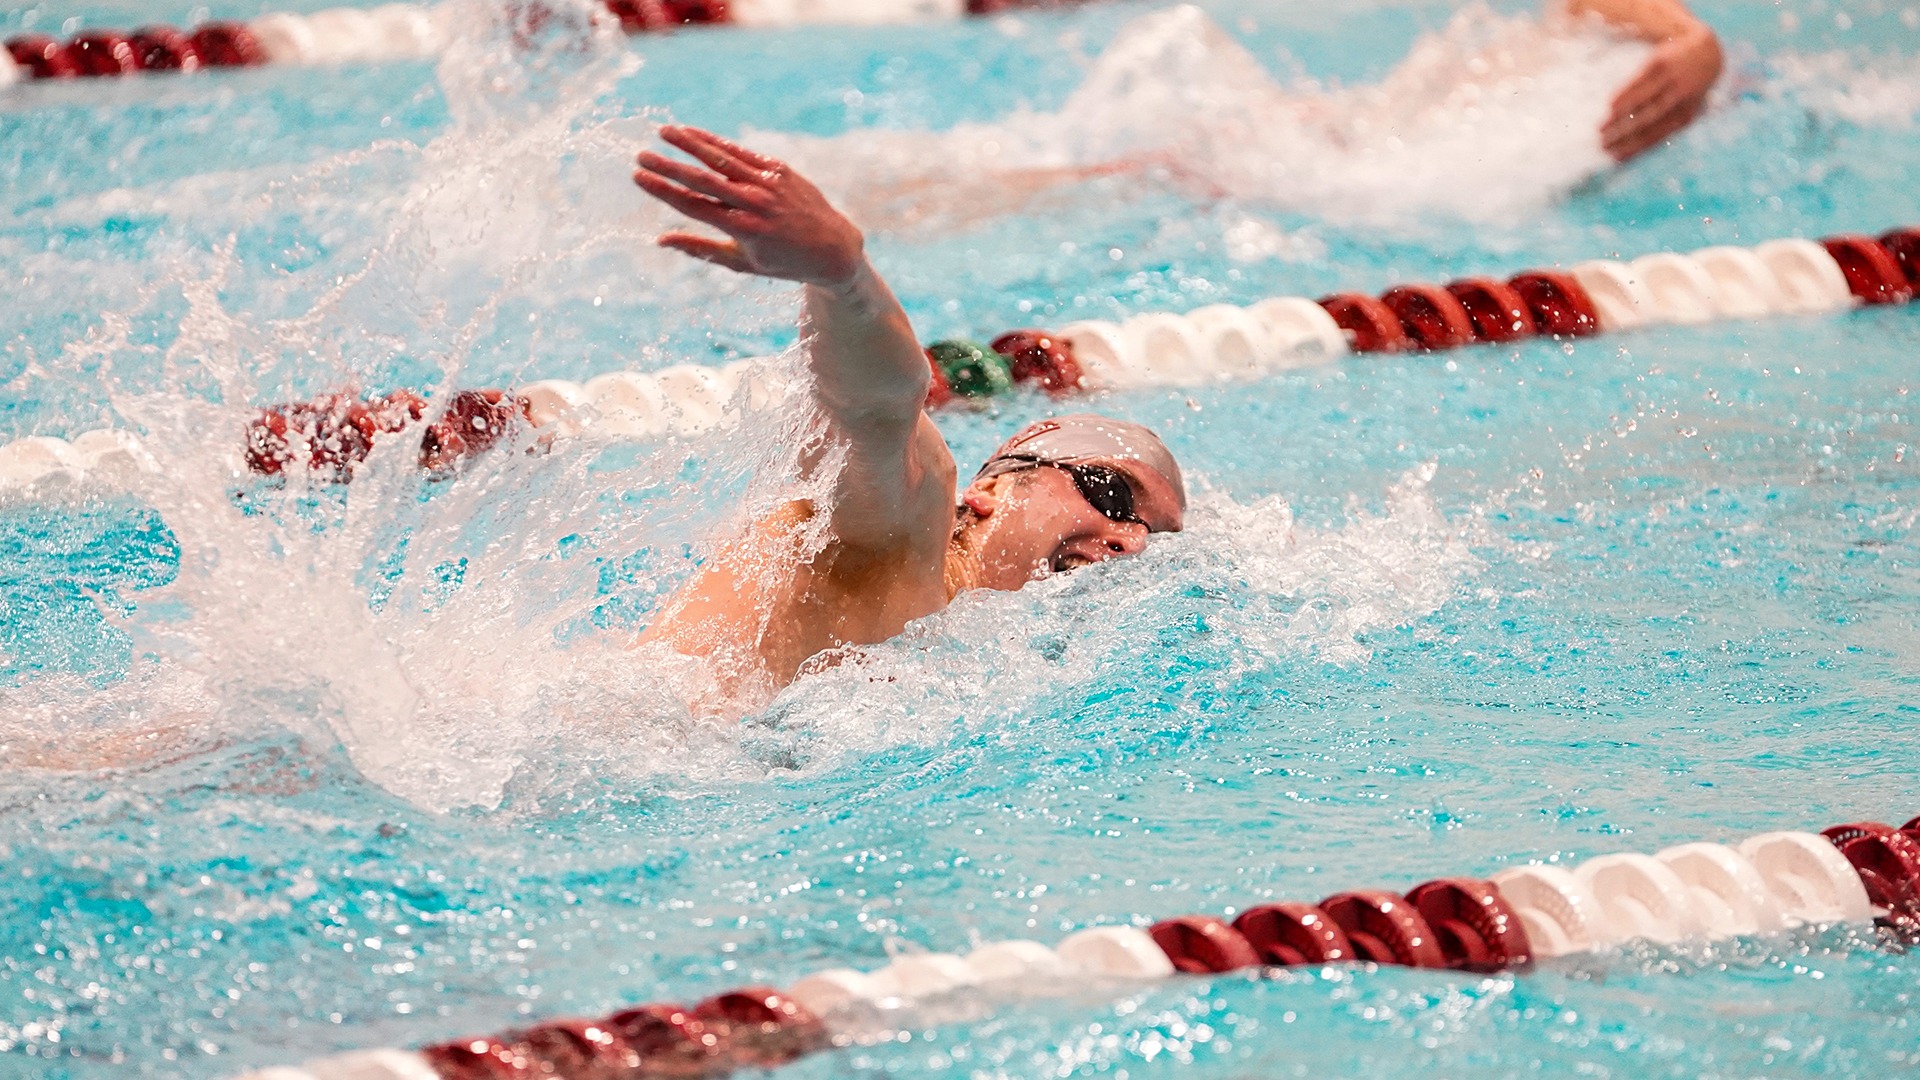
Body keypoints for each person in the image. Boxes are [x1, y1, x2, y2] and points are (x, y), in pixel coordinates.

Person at [628, 126, 1185, 702]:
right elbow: (877, 407)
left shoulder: (961, 655)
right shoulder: (905, 525)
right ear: (986, 492)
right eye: (1113, 495)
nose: (1132, 543)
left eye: (1154, 537)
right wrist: (842, 279)